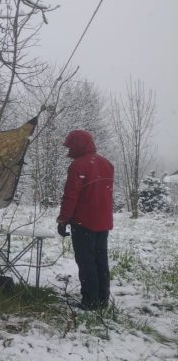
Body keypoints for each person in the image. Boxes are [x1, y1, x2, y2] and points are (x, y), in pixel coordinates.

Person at [57, 129, 115, 310]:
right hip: (102, 223)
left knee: (86, 262)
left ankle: (90, 301)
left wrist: (63, 220)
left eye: (71, 146)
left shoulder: (78, 166)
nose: (69, 150)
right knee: (100, 261)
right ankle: (103, 299)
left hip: (83, 223)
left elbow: (71, 196)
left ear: (79, 145)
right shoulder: (107, 164)